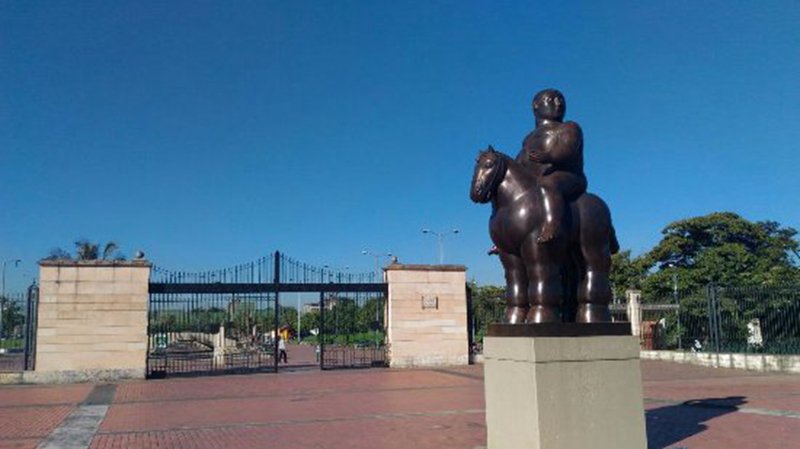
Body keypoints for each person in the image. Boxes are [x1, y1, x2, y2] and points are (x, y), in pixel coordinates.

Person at [516, 89, 587, 243]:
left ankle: (551, 224)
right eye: (552, 99)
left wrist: (549, 156)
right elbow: (521, 160)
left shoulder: (568, 127)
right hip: (537, 184)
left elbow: (568, 150)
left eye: (561, 99)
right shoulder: (528, 138)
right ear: (536, 105)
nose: (558, 103)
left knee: (548, 183)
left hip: (568, 177)